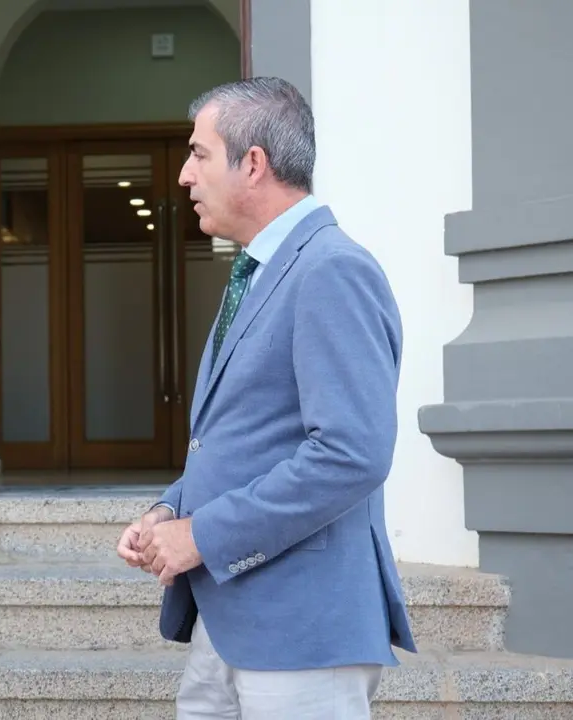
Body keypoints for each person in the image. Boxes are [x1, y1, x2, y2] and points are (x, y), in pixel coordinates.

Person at [116, 77, 416, 718]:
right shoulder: (261, 268)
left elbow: (351, 454)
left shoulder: (331, 268)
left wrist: (204, 536)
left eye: (198, 153)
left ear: (253, 163)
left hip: (302, 629)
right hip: (227, 622)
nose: (183, 175)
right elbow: (248, 433)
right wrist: (171, 511)